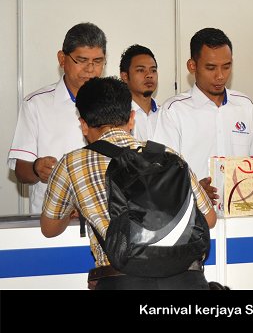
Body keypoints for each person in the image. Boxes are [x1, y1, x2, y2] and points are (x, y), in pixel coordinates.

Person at [40, 77, 216, 289]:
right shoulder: (168, 155)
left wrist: (75, 207)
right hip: (187, 280)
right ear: (132, 119)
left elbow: (49, 228)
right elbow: (209, 218)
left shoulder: (71, 163)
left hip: (122, 282)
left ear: (84, 125)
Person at [153, 28, 253, 201]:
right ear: (192, 66)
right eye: (211, 68)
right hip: (194, 213)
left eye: (226, 67)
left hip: (242, 210)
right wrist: (193, 191)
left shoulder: (244, 106)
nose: (220, 76)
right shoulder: (173, 111)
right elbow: (161, 176)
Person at [8, 22, 107, 214]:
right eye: (82, 60)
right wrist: (36, 168)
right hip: (52, 219)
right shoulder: (36, 104)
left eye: (98, 61)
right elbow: (21, 171)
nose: (90, 69)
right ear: (62, 59)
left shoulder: (115, 102)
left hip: (103, 219)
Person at [119, 44, 159, 141]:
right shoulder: (117, 117)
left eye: (153, 70)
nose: (149, 75)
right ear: (125, 76)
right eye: (141, 70)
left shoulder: (166, 113)